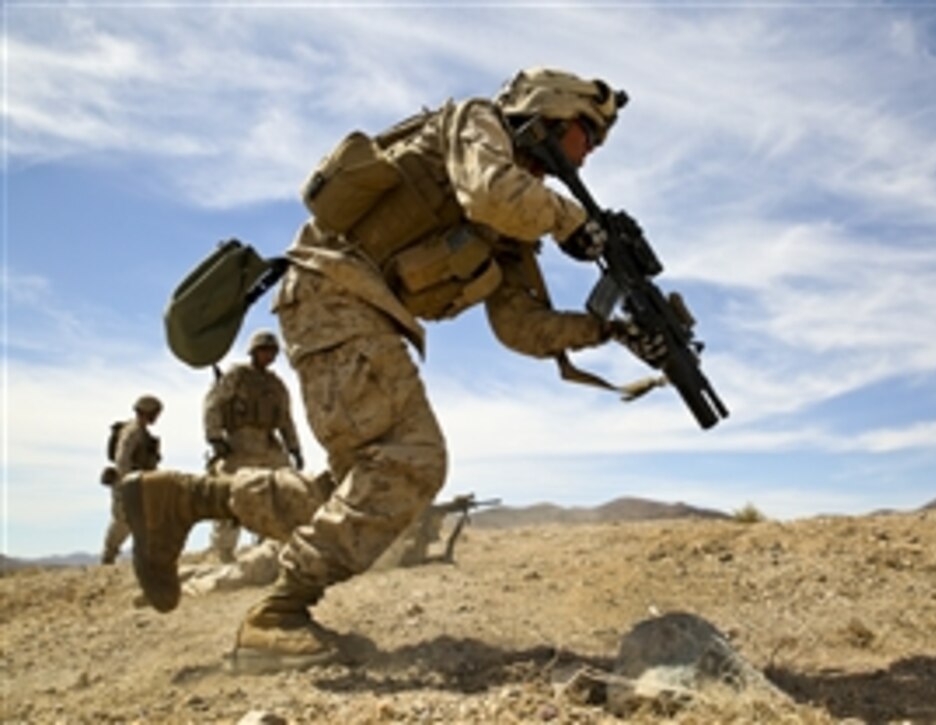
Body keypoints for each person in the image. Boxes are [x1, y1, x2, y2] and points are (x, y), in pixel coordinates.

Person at [121, 68, 664, 671]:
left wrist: (609, 330)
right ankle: (277, 617)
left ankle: (182, 499)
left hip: (345, 306)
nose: (586, 161)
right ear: (553, 112)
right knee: (413, 459)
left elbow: (521, 328)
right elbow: (490, 192)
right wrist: (571, 222)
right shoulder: (478, 126)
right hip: (337, 293)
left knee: (359, 484)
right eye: (587, 139)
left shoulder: (513, 223)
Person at [203, 329, 303, 562]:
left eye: (272, 352)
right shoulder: (237, 375)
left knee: (282, 491)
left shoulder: (276, 384)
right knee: (231, 496)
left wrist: (294, 448)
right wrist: (215, 437)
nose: (269, 356)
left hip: (268, 443)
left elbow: (286, 419)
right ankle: (224, 553)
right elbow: (213, 403)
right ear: (253, 352)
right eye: (264, 351)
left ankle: (272, 548)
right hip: (239, 443)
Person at [100, 395, 163, 564]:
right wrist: (128, 480)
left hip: (140, 482)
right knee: (123, 520)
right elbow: (123, 459)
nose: (156, 417)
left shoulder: (143, 433)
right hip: (127, 483)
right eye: (155, 413)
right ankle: (109, 555)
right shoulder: (132, 431)